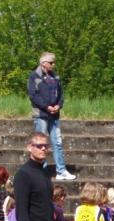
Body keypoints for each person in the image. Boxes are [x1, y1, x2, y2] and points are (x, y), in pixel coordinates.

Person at [27, 52, 75, 181]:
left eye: (53, 62)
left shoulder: (55, 77)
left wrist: (59, 105)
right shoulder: (34, 76)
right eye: (51, 63)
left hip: (54, 115)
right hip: (41, 115)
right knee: (40, 144)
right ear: (43, 63)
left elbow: (61, 94)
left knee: (57, 143)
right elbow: (33, 95)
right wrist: (46, 107)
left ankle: (61, 171)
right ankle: (41, 171)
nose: (53, 65)